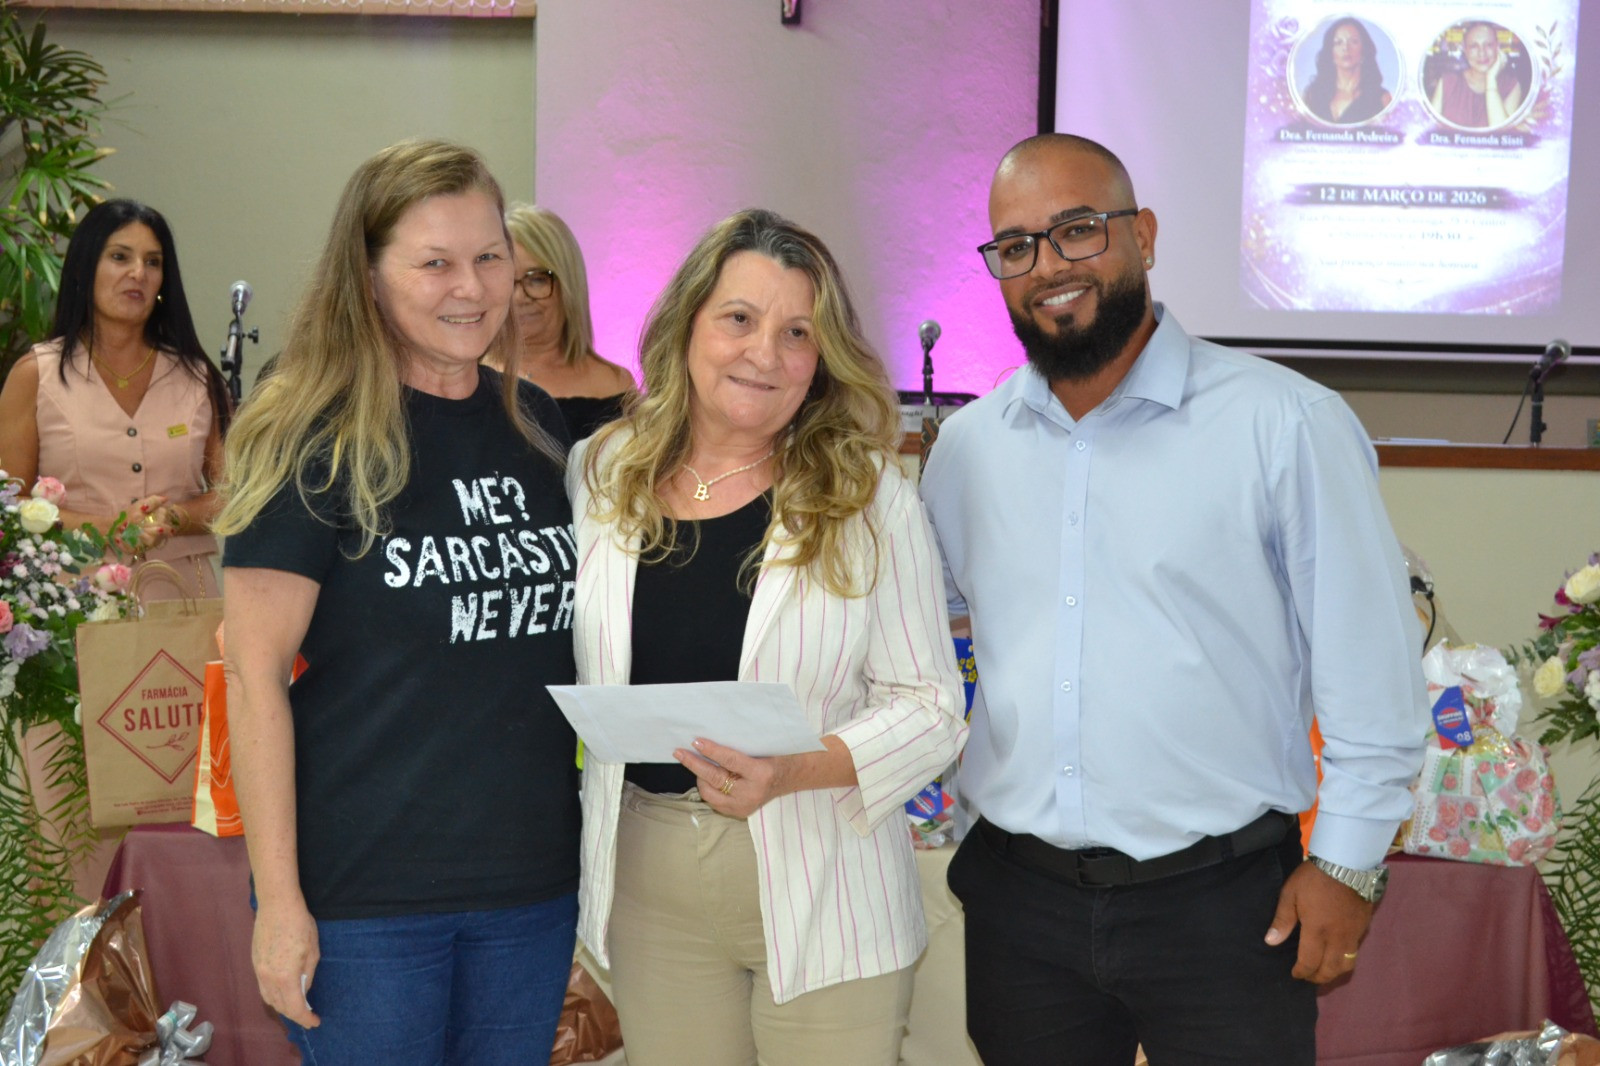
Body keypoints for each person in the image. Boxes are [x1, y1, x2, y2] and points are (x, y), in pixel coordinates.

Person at [918, 133, 1429, 1064]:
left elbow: (1370, 672)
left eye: (1078, 229)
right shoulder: (967, 451)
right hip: (1020, 908)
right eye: (1017, 246)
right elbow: (931, 642)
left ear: (1143, 236)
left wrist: (1348, 862)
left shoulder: (1285, 424)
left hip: (1224, 907)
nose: (1048, 266)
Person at [568, 208, 967, 1066]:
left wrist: (793, 770)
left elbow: (933, 708)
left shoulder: (869, 497)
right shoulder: (602, 471)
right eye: (739, 319)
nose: (765, 354)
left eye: (797, 333)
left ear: (822, 359)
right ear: (686, 326)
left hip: (824, 864)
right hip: (648, 874)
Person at [216, 140, 581, 1066]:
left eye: (490, 257)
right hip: (363, 899)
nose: (472, 287)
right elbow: (253, 678)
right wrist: (280, 902)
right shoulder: (313, 436)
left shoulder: (538, 426)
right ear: (368, 276)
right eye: (434, 263)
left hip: (531, 891)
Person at [0, 198, 230, 598]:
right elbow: (8, 503)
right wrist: (108, 527)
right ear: (83, 269)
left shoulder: (197, 378)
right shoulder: (36, 374)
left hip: (182, 598)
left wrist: (173, 517)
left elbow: (233, 495)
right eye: (120, 257)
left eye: (153, 262)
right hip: (70, 601)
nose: (138, 273)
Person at [487, 203, 634, 442]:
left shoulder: (615, 383)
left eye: (537, 280)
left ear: (568, 284)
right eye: (507, 281)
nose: (519, 297)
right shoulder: (470, 379)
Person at [1430, 21, 1526, 129]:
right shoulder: (1448, 82)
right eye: (1474, 46)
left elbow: (1501, 133)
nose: (1482, 53)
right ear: (1465, 50)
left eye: (1488, 45)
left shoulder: (1511, 85)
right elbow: (1429, 129)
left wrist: (1491, 79)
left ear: (1497, 47)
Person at [1301, 17, 1392, 124]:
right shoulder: (1312, 95)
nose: (1346, 48)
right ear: (1330, 53)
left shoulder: (1382, 99)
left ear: (1364, 50)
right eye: (1338, 42)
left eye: (1353, 41)